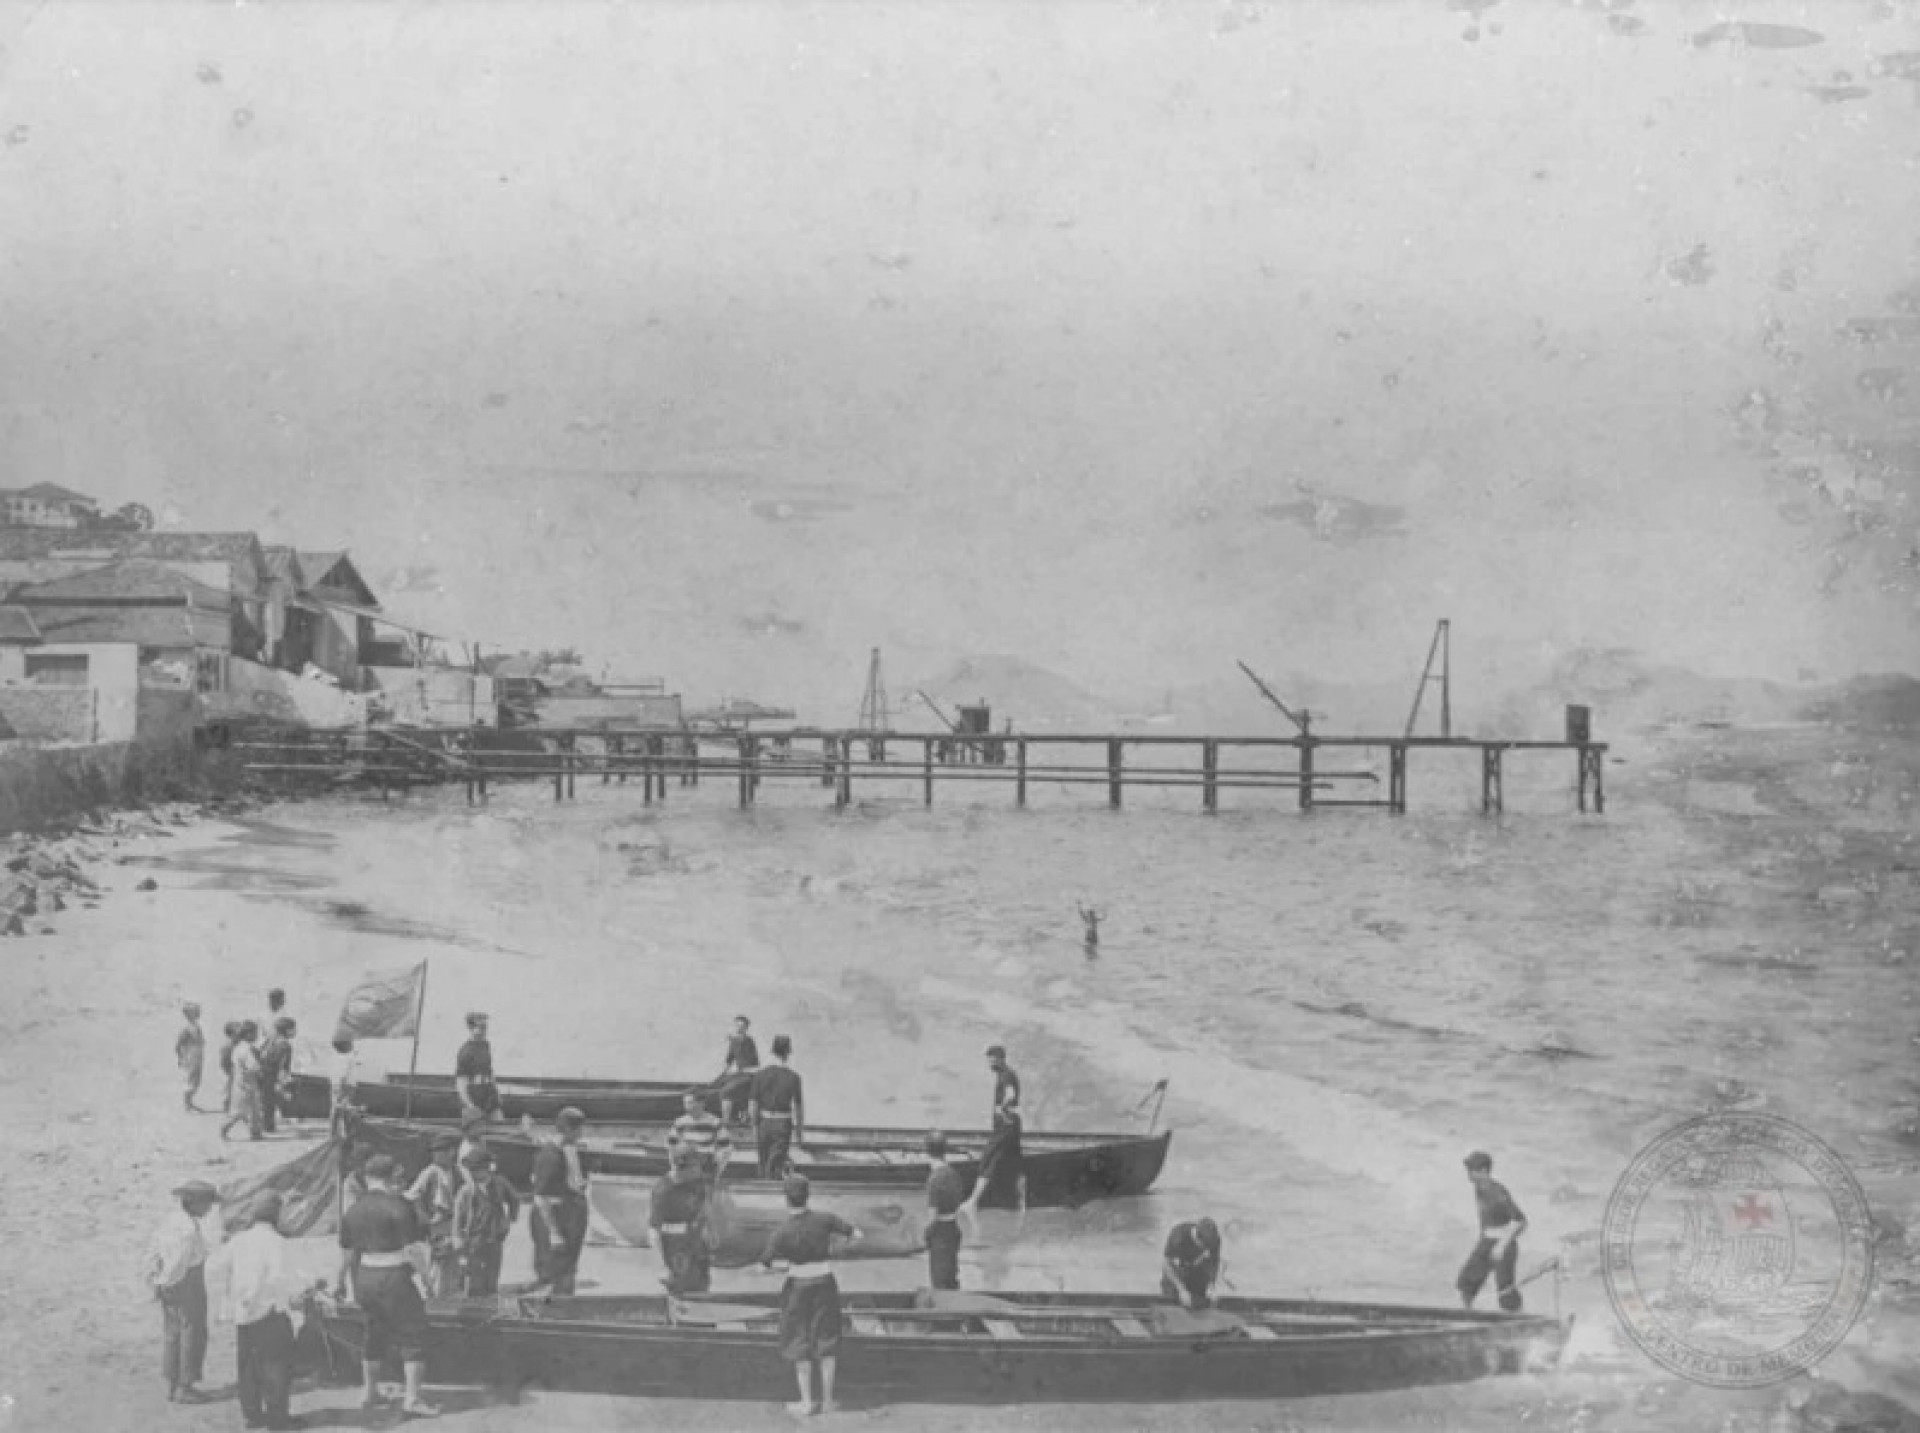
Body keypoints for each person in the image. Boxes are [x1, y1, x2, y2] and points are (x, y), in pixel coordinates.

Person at [335, 1154, 439, 1417]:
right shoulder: (399, 1205)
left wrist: (339, 1282)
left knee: (374, 1332)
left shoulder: (353, 1209)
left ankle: (369, 1392)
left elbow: (347, 1254)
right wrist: (427, 1280)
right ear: (390, 1176)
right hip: (393, 1276)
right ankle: (412, 1399)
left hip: (364, 1277)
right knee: (413, 1334)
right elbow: (413, 1250)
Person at [212, 1191, 322, 1432]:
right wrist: (307, 1287)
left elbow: (219, 1267)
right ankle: (278, 1418)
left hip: (243, 1311)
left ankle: (251, 1414)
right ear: (276, 1214)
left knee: (248, 1364)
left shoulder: (239, 1240)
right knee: (276, 1366)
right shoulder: (277, 1243)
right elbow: (281, 1278)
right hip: (269, 1310)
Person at [760, 1175, 862, 1418]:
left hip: (797, 1286)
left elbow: (765, 1263)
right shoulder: (825, 1219)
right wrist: (838, 1250)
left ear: (786, 1199)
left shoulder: (782, 1231)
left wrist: (783, 1268)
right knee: (827, 1339)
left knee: (799, 1340)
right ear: (808, 1195)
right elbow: (857, 1234)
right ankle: (828, 1400)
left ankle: (807, 1402)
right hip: (825, 1282)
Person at [143, 1178, 222, 1404]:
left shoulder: (170, 1221)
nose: (208, 1209)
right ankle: (185, 1386)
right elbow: (179, 1262)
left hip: (167, 1281)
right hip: (185, 1281)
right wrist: (168, 1280)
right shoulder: (187, 1230)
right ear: (195, 1203)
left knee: (173, 1333)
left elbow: (154, 1250)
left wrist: (155, 1281)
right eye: (206, 1204)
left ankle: (172, 1382)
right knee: (192, 1331)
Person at [1457, 1150, 1529, 1311]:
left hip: (1504, 1244)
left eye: (1472, 1170)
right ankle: (1467, 1317)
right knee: (1466, 1283)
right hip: (1487, 1241)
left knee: (1505, 1292)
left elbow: (1521, 1221)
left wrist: (1502, 1245)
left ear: (1483, 1171)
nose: (1468, 1174)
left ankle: (1517, 1322)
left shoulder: (1497, 1192)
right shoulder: (1479, 1187)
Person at [529, 1107, 590, 1296]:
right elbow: (541, 1197)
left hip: (568, 1217)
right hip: (554, 1219)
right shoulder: (551, 1156)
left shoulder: (567, 1149)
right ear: (570, 1130)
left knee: (567, 1270)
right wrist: (554, 1233)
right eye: (579, 1129)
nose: (582, 1133)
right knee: (554, 1273)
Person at [964, 1044, 1023, 1214]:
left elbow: (1010, 1095)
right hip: (1011, 1126)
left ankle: (973, 1202)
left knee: (988, 1161)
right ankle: (1019, 1202)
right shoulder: (1006, 1074)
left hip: (1005, 1128)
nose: (989, 1063)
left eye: (991, 1059)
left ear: (999, 1059)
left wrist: (1002, 1109)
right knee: (1014, 1163)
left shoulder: (1005, 1075)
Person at [452, 1147, 518, 1296]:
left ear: (487, 1168)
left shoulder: (500, 1183)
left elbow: (514, 1199)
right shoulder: (466, 1191)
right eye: (471, 1170)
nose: (474, 1174)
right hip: (474, 1241)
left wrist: (509, 1220)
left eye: (477, 1170)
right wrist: (459, 1243)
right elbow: (458, 1219)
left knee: (492, 1277)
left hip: (495, 1238)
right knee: (474, 1280)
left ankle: (490, 1302)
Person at [406, 1132, 463, 1297]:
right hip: (437, 1224)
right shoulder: (430, 1172)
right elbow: (412, 1196)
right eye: (435, 1152)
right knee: (438, 1264)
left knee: (453, 1265)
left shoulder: (456, 1170)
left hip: (452, 1222)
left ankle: (449, 1296)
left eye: (442, 1151)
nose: (437, 1155)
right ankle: (436, 1299)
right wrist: (424, 1217)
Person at [649, 1149, 713, 1295]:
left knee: (702, 1287)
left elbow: (704, 1204)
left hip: (696, 1244)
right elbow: (654, 1231)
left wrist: (711, 1228)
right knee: (679, 1290)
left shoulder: (696, 1182)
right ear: (681, 1168)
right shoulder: (663, 1191)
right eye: (694, 1167)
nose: (699, 1171)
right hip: (675, 1247)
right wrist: (662, 1266)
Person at [749, 1034, 804, 1180]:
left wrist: (754, 1127)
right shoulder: (794, 1077)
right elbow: (798, 1108)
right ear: (788, 1052)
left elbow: (753, 1104)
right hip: (783, 1125)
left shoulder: (759, 1075)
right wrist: (799, 1133)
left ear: (772, 1051)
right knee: (776, 1165)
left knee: (763, 1162)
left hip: (764, 1123)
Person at [923, 1131, 966, 1291]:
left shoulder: (934, 1180)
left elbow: (932, 1217)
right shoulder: (954, 1174)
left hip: (940, 1234)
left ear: (926, 1151)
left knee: (939, 1281)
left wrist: (925, 1235)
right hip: (953, 1227)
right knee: (951, 1278)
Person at [668, 1089, 735, 1179]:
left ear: (701, 1103)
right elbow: (671, 1147)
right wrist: (674, 1169)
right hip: (685, 1166)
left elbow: (727, 1149)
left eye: (690, 1103)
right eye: (685, 1103)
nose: (686, 1106)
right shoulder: (679, 1122)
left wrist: (718, 1172)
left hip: (706, 1167)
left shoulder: (714, 1122)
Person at [1160, 1218, 1223, 1309]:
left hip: (1196, 1270)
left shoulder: (1214, 1239)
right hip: (1177, 1270)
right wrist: (1181, 1290)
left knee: (1199, 1302)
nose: (1205, 1249)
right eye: (1204, 1246)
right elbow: (1166, 1264)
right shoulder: (1178, 1236)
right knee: (1173, 1300)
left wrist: (1213, 1286)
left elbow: (1213, 1263)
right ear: (1196, 1238)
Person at [221, 1022, 264, 1142]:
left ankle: (255, 1132)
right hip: (246, 1083)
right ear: (248, 1034)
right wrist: (261, 1067)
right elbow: (254, 1067)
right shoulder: (246, 1050)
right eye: (255, 1033)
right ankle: (224, 1128)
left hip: (242, 1082)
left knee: (253, 1110)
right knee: (241, 1111)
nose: (256, 1035)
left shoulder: (239, 1047)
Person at [455, 1011, 501, 1120]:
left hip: (489, 1094)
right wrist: (470, 1106)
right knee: (475, 1133)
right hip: (474, 1095)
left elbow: (490, 1071)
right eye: (481, 1027)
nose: (484, 1030)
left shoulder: (485, 1044)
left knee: (499, 1126)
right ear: (471, 1028)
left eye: (485, 1027)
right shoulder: (465, 1052)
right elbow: (460, 1084)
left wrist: (497, 1095)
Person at [715, 1015, 760, 1126]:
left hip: (749, 1075)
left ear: (746, 1028)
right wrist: (721, 1076)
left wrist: (732, 1037)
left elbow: (753, 1065)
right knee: (715, 1086)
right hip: (739, 1074)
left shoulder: (749, 1041)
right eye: (737, 1025)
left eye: (742, 1026)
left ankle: (725, 1121)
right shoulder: (734, 1041)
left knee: (725, 1091)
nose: (739, 1028)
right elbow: (728, 1061)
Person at [256, 1017, 296, 1135]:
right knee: (269, 1102)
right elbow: (283, 1065)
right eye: (293, 1029)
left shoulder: (270, 1040)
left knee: (265, 1100)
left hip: (262, 1072)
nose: (295, 1031)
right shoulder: (285, 1046)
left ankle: (265, 1124)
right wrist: (283, 1081)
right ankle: (268, 1126)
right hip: (271, 1075)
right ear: (287, 1030)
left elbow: (260, 1053)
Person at [328, 1037, 362, 1139]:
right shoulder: (345, 1059)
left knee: (339, 1109)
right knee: (342, 1109)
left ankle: (336, 1132)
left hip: (339, 1085)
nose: (352, 1045)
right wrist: (342, 1089)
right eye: (350, 1043)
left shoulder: (339, 1058)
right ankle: (339, 1133)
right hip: (345, 1086)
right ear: (346, 1046)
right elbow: (342, 1075)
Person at [176, 1003, 206, 1113]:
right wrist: (181, 1058)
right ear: (190, 1014)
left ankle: (190, 1103)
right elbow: (178, 1044)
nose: (199, 1012)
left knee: (196, 1080)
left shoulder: (196, 1025)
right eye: (196, 1011)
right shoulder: (187, 1028)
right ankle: (187, 1106)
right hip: (190, 1057)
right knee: (190, 1081)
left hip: (197, 1056)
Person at [218, 1021, 243, 1111]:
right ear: (231, 1034)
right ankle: (226, 1107)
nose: (241, 1035)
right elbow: (224, 1061)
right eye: (238, 1033)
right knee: (227, 1088)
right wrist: (229, 1071)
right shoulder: (227, 1045)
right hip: (228, 1070)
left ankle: (234, 1107)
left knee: (235, 1089)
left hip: (235, 1069)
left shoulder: (239, 1043)